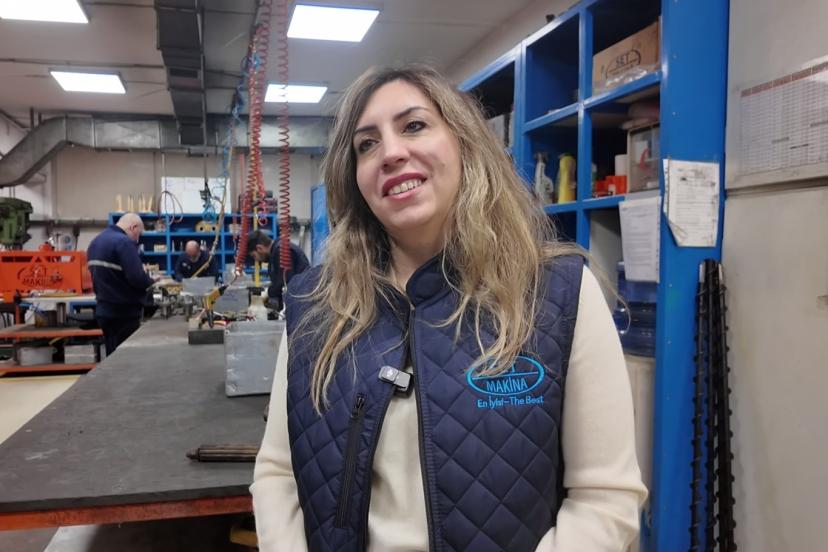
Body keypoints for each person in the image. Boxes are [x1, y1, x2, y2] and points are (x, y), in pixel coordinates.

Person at [251, 65, 647, 551]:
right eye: (367, 144)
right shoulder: (314, 305)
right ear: (354, 178)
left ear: (465, 144)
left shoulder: (558, 293)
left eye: (414, 125)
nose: (391, 152)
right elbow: (278, 474)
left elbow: (605, 499)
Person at [87, 212, 156, 355]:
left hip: (104, 311)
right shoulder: (123, 242)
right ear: (133, 227)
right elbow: (137, 277)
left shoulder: (96, 241)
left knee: (112, 355)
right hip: (124, 313)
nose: (137, 240)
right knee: (126, 358)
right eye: (138, 234)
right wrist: (151, 281)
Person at [246, 230, 309, 310]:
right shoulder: (275, 252)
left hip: (301, 303)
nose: (256, 260)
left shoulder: (281, 251)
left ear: (259, 248)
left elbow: (284, 282)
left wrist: (267, 293)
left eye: (254, 256)